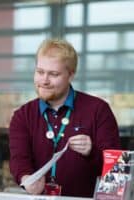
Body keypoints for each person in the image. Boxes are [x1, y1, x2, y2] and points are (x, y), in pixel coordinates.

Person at [9, 38, 121, 197]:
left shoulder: (98, 110)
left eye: (53, 74)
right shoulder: (23, 116)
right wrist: (26, 177)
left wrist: (92, 152)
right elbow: (19, 159)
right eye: (40, 72)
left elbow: (116, 169)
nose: (44, 81)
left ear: (71, 75)